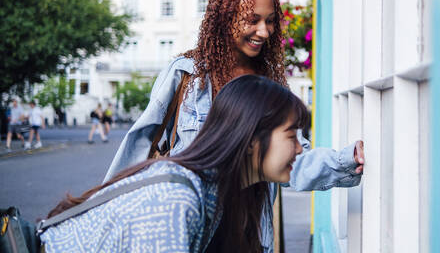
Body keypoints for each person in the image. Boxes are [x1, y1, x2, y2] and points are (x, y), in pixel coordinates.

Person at [104, 0, 364, 252]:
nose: (264, 31)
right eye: (253, 20)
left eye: (270, 21)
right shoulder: (186, 75)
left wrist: (345, 160)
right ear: (225, 19)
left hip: (248, 234)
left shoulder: (270, 87)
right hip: (191, 229)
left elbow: (294, 161)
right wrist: (108, 215)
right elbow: (139, 145)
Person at [41, 76, 309, 252]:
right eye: (291, 134)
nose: (300, 148)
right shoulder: (177, 198)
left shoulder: (220, 191)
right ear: (251, 138)